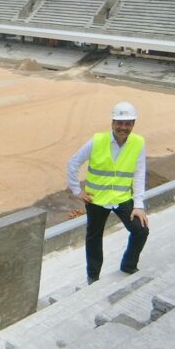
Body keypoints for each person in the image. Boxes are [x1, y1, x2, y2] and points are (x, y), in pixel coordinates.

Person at [66, 101, 151, 284]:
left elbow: (139, 173)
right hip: (97, 199)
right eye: (119, 123)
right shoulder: (97, 141)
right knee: (94, 238)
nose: (123, 127)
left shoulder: (138, 143)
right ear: (112, 123)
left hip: (122, 199)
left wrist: (139, 205)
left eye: (128, 123)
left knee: (141, 230)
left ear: (133, 124)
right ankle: (93, 276)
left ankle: (128, 265)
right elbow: (73, 163)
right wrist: (77, 191)